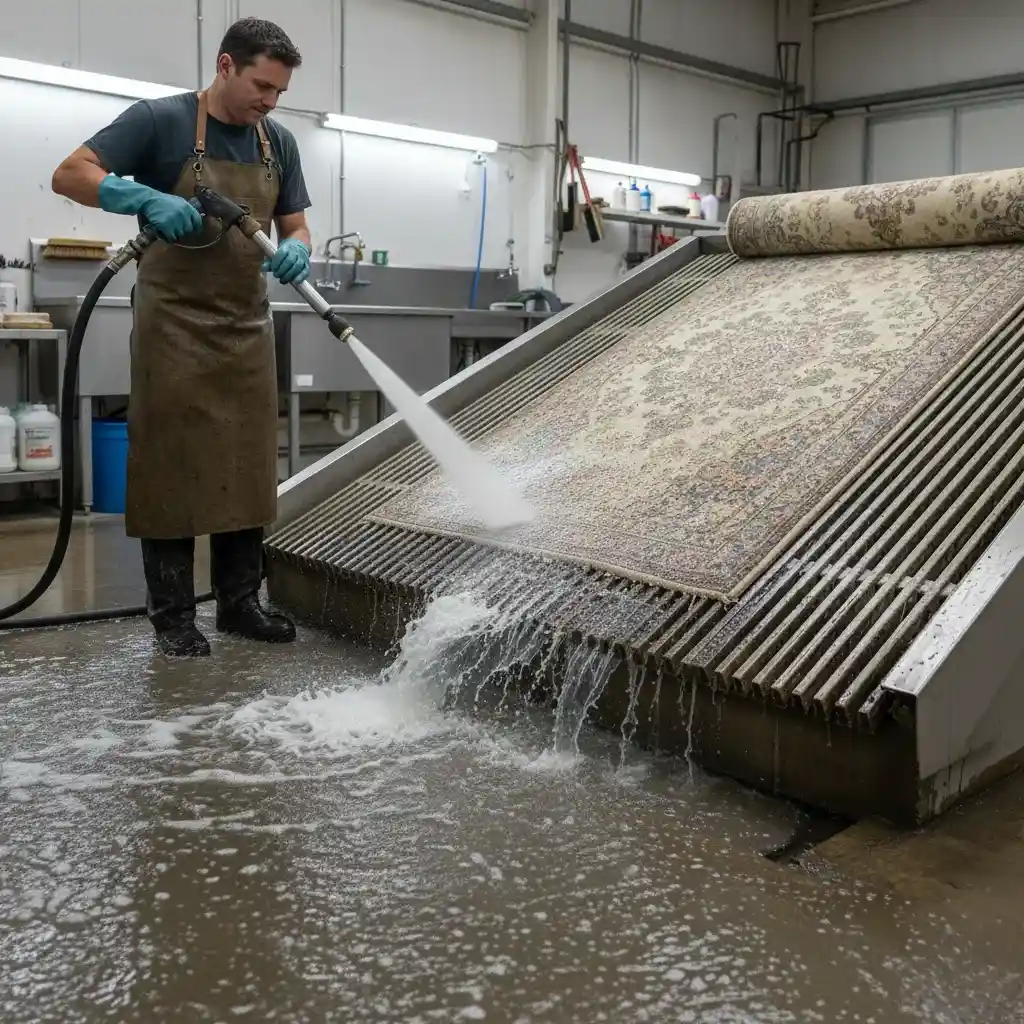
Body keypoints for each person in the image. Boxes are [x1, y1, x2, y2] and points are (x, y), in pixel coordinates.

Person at [52, 18, 313, 658]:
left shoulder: (276, 142)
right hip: (174, 322)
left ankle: (240, 603)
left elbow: (296, 226)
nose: (269, 102)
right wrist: (134, 194)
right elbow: (70, 173)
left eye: (279, 92)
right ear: (225, 66)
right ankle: (172, 616)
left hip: (246, 324)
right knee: (169, 464)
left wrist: (297, 252)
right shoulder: (160, 121)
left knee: (249, 464)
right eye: (261, 86)